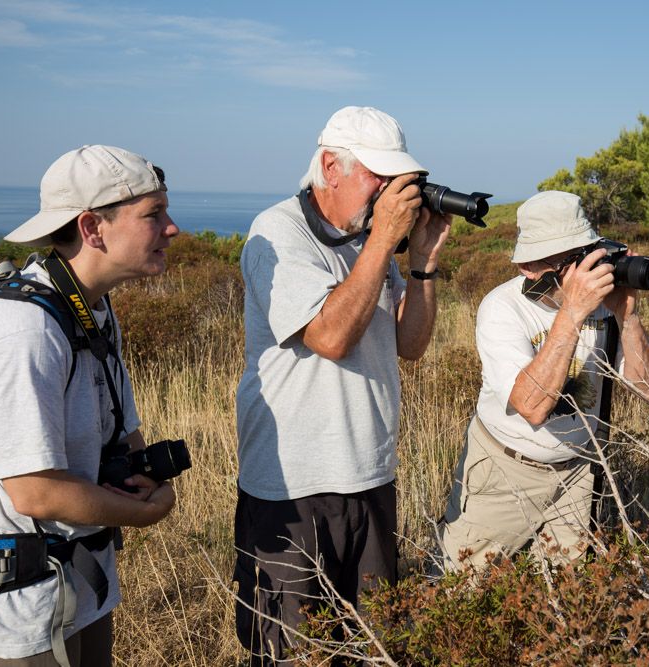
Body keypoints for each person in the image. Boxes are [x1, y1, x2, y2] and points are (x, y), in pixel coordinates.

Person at [233, 106, 451, 663]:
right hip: (296, 488)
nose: (390, 192)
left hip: (370, 474)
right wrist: (383, 242)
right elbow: (329, 337)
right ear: (331, 166)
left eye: (398, 179)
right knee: (294, 652)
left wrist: (421, 263)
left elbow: (412, 345)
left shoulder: (364, 237)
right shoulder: (278, 232)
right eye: (378, 177)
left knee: (371, 648)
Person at [0, 145, 179, 666]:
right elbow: (36, 491)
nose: (172, 228)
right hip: (12, 620)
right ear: (92, 228)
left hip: (77, 591)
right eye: (153, 214)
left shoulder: (93, 311)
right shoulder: (23, 331)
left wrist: (145, 475)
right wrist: (147, 512)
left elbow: (123, 435)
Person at [437, 190, 649, 572]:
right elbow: (533, 406)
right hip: (505, 469)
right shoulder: (502, 309)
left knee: (562, 594)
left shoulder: (606, 306)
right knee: (463, 584)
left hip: (577, 472)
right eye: (569, 260)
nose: (586, 271)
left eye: (588, 253)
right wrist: (573, 312)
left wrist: (628, 316)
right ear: (529, 268)